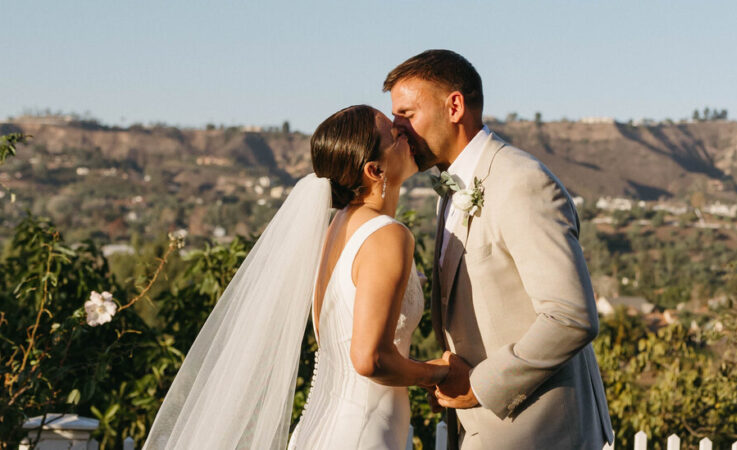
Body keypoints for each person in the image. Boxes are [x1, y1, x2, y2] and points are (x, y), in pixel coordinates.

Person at [143, 105, 448, 450]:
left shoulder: (337, 228)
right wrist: (437, 374)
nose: (404, 132)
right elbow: (369, 359)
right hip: (362, 435)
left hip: (321, 429)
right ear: (374, 170)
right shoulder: (387, 235)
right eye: (395, 135)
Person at [384, 50, 614, 449]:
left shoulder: (521, 182)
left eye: (407, 114)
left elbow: (571, 316)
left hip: (539, 432)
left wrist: (481, 385)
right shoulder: (450, 192)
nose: (398, 130)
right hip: (484, 430)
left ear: (454, 106)